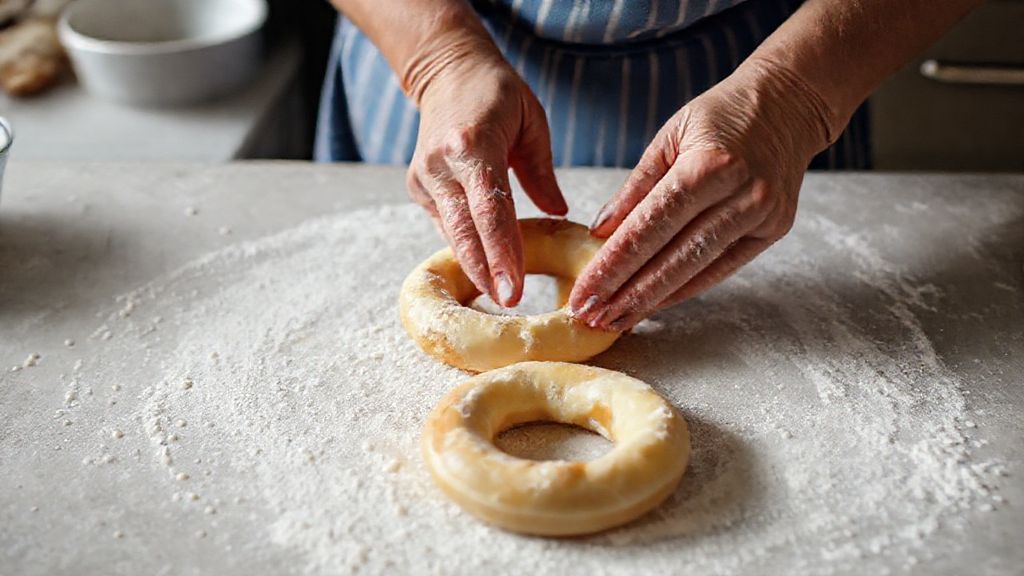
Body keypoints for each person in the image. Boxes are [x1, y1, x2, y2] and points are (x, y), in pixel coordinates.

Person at [317, 0, 980, 331]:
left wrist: (795, 100)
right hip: (430, 61)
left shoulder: (787, 91)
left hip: (783, 65)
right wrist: (437, 56)